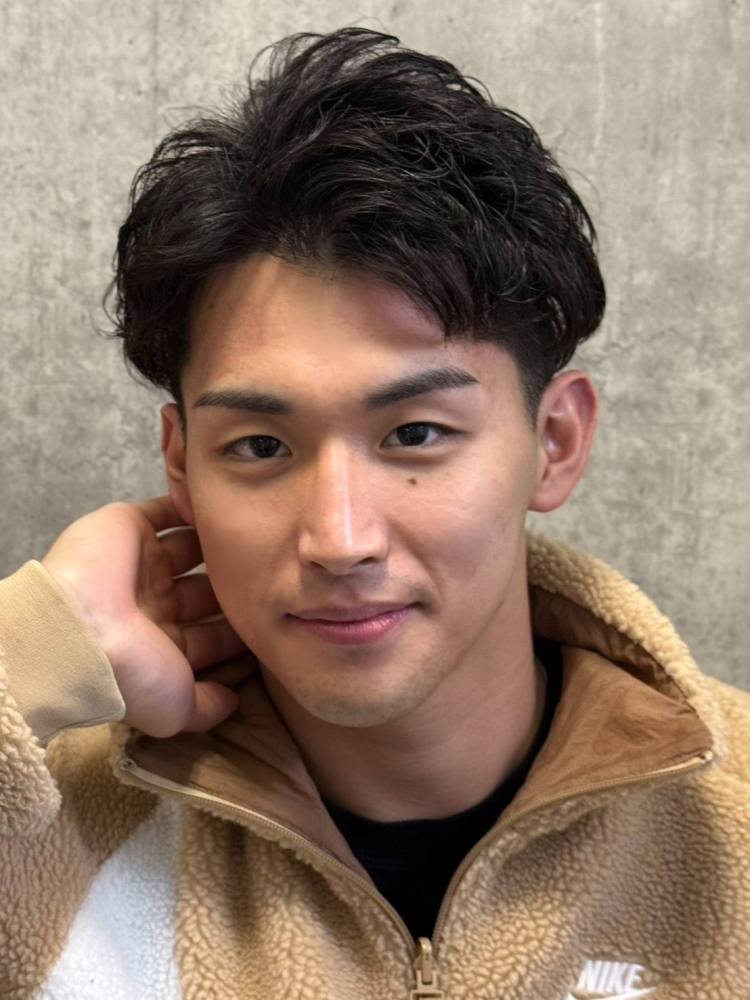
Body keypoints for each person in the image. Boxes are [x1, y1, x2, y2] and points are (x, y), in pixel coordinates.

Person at [0, 27, 747, 1000]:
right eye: (260, 446)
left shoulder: (730, 832)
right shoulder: (44, 834)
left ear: (556, 441)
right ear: (180, 466)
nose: (340, 539)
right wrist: (32, 654)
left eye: (416, 434)